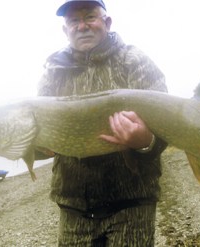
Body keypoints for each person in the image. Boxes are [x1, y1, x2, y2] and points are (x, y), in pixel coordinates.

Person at [38, 0, 168, 246]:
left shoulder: (134, 60)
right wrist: (30, 146)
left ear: (106, 23)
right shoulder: (53, 71)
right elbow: (40, 142)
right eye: (74, 21)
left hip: (132, 204)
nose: (82, 26)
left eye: (90, 17)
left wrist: (145, 142)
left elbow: (166, 128)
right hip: (74, 206)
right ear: (65, 30)